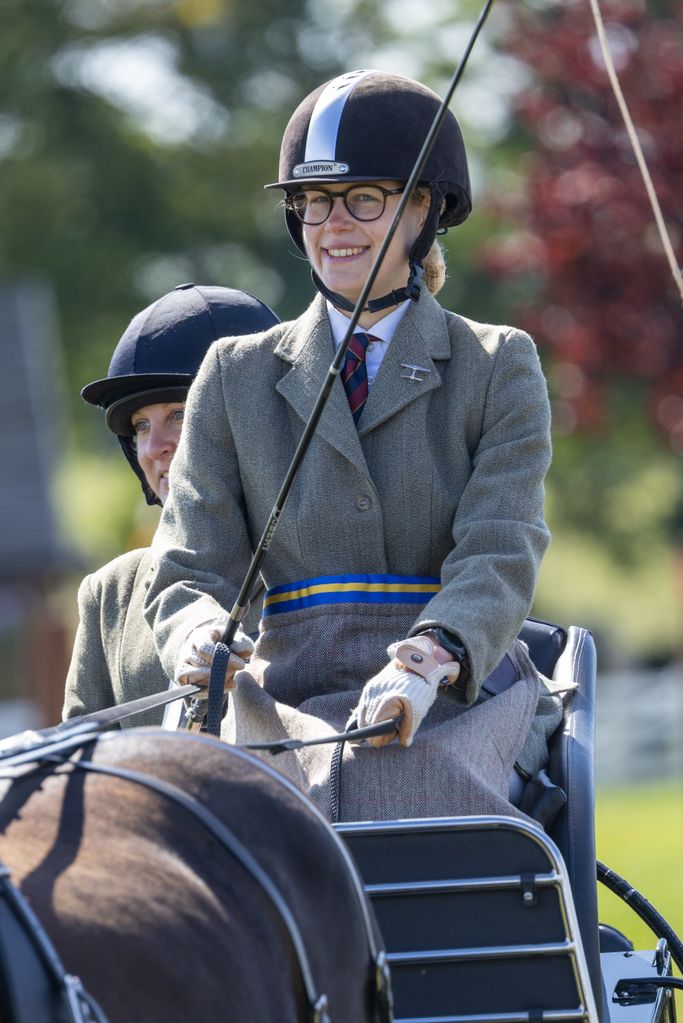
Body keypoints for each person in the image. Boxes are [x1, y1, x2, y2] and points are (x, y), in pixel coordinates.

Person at [144, 71, 567, 823]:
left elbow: (502, 544)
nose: (333, 225)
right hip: (280, 692)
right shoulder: (233, 373)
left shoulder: (497, 363)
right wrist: (199, 635)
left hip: (449, 693)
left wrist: (431, 657)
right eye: (312, 203)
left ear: (424, 209)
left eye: (364, 199)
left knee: (402, 787)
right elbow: (186, 566)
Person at [62, 283, 280, 727]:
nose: (153, 447)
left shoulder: (322, 563)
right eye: (141, 425)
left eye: (179, 414)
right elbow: (83, 769)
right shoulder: (111, 595)